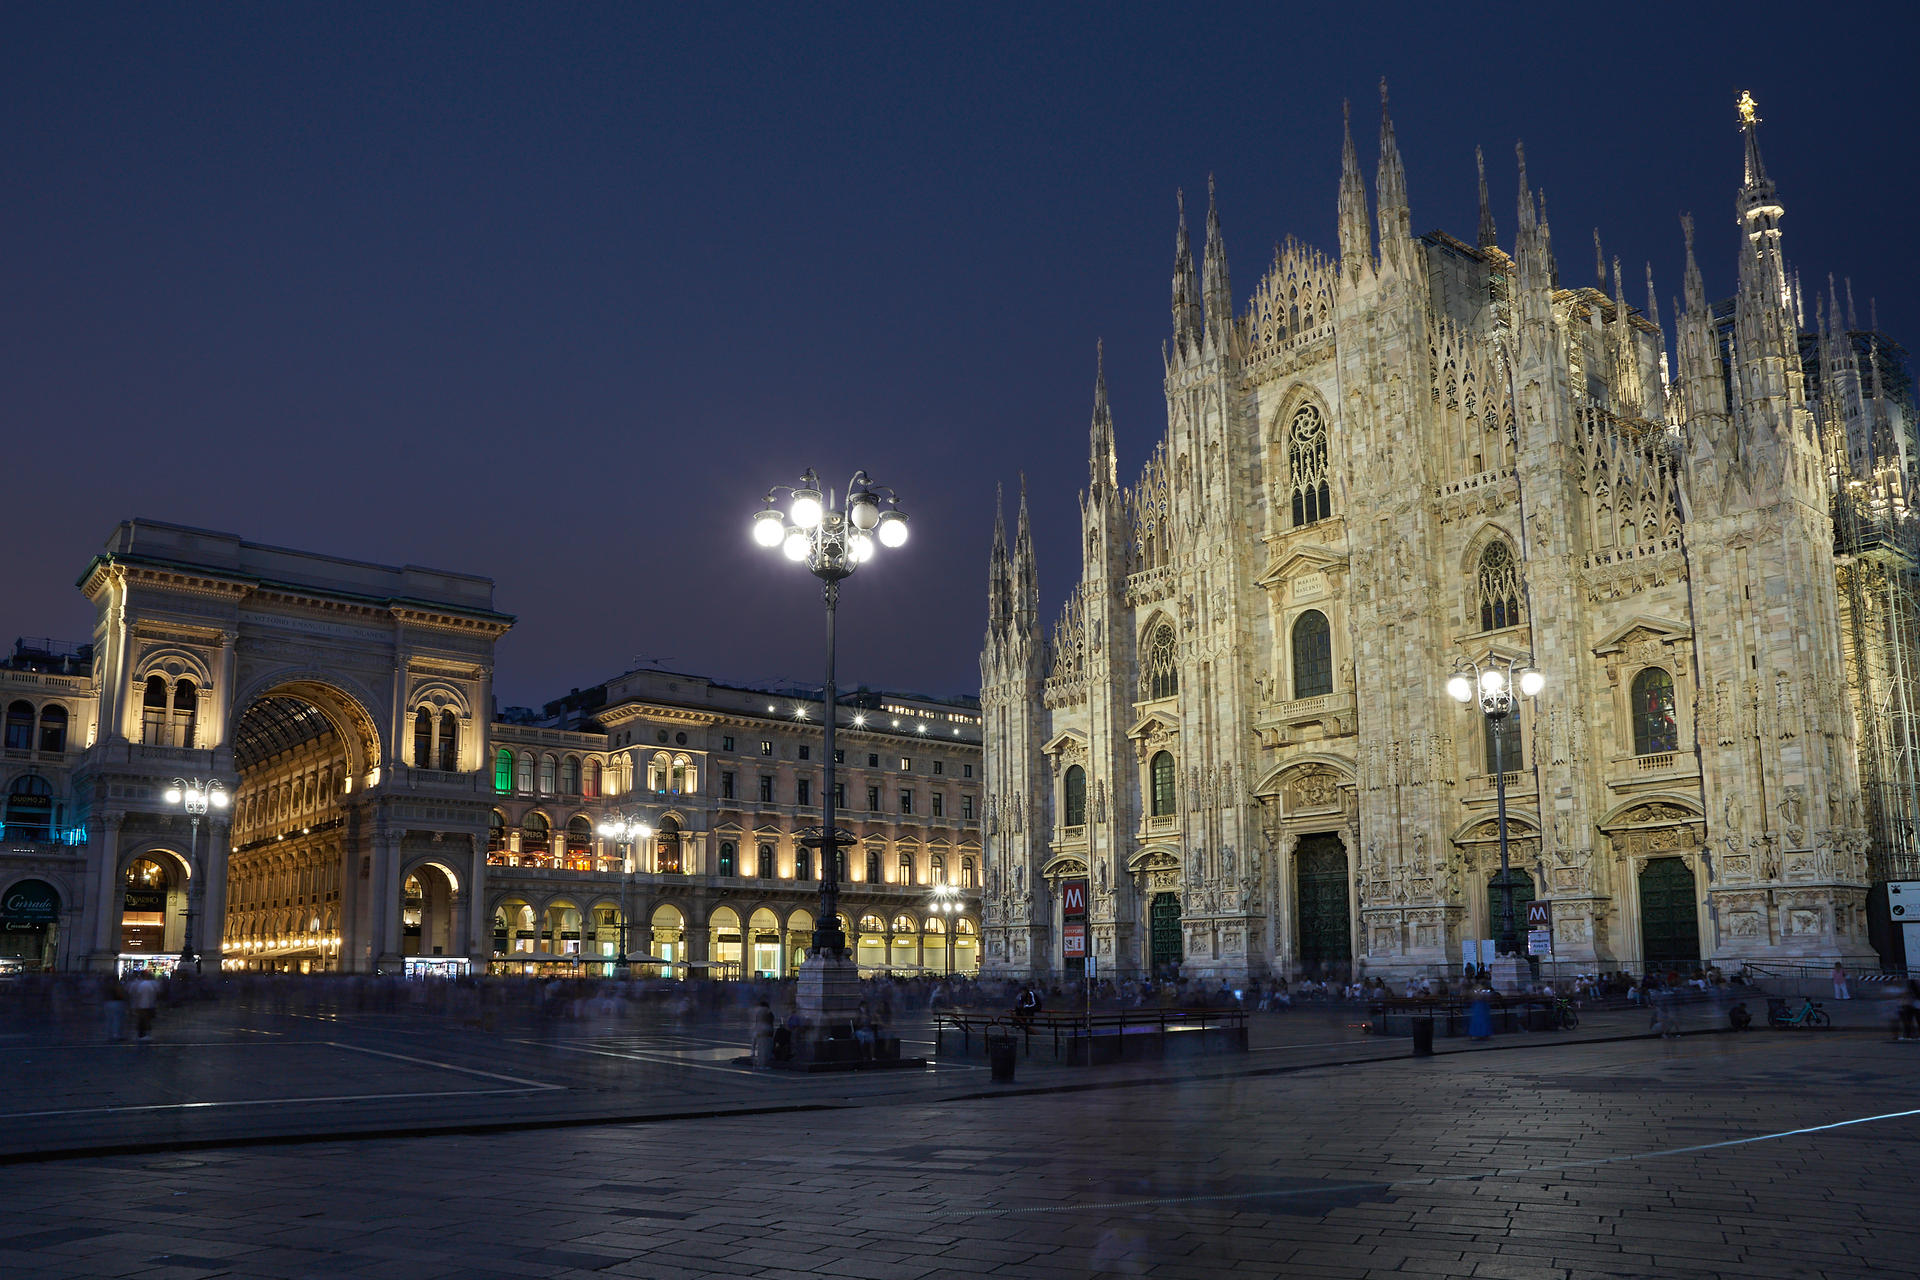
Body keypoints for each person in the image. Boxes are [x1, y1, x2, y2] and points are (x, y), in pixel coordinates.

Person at [129, 970, 161, 1042]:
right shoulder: (149, 984)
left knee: (142, 1020)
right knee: (146, 1020)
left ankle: (142, 1034)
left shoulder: (142, 984)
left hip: (143, 1004)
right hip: (148, 1004)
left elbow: (137, 994)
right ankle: (145, 1034)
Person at [102, 976, 129, 1043]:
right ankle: (117, 1035)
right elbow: (120, 994)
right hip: (117, 1003)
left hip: (108, 1003)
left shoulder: (106, 986)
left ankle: (109, 1035)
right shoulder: (117, 986)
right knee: (117, 1020)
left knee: (109, 1020)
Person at [750, 1000, 776, 1069]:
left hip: (760, 1033)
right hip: (766, 1034)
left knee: (760, 1050)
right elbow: (771, 1022)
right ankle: (763, 1065)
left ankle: (760, 1064)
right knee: (765, 1050)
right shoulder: (768, 1012)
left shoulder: (758, 1013)